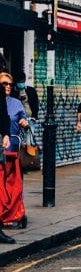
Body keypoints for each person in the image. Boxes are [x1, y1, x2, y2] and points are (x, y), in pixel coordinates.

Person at [0, 70, 28, 236]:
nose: (8, 86)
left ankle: (15, 212)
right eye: (4, 83)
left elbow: (27, 119)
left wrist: (25, 122)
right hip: (1, 148)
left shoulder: (16, 103)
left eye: (10, 84)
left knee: (14, 184)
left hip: (12, 149)